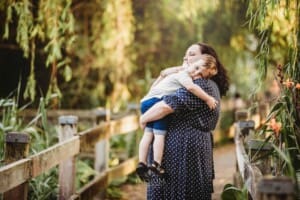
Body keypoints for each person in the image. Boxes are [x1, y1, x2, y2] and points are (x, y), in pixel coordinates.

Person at [139, 42, 229, 200]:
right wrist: (164, 75)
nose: (186, 57)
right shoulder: (193, 81)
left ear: (208, 59)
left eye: (192, 54)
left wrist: (143, 118)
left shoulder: (200, 84)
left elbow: (165, 107)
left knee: (179, 193)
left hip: (182, 153)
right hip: (182, 151)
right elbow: (153, 95)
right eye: (186, 54)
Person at [136, 54, 218, 182]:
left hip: (146, 101)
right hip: (157, 102)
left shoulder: (182, 70)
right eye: (196, 68)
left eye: (201, 75)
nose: (195, 73)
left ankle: (141, 163)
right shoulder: (185, 75)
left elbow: (165, 72)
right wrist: (207, 98)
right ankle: (156, 164)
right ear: (191, 64)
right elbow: (192, 87)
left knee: (148, 135)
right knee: (159, 135)